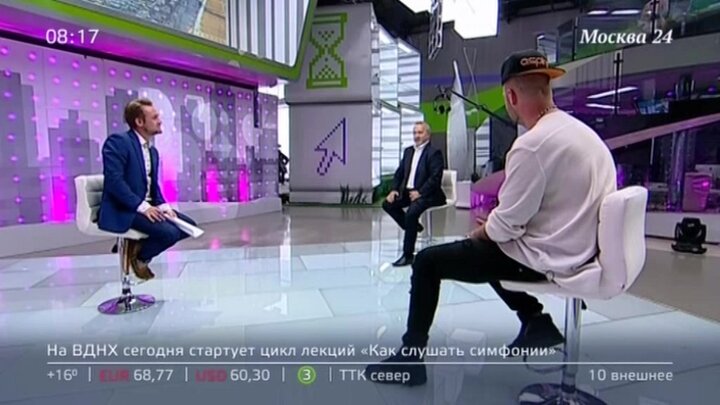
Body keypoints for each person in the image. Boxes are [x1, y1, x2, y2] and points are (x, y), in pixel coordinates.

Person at [366, 50, 617, 386]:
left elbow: (506, 225)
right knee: (492, 249)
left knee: (430, 261)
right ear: (548, 87)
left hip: (552, 258)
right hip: (582, 251)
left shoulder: (532, 145)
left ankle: (410, 360)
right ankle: (534, 320)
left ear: (510, 96)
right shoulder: (583, 134)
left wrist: (481, 233)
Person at [98, 98, 197, 280]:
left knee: (189, 226)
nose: (160, 121)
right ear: (139, 122)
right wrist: (143, 207)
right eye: (155, 117)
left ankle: (137, 248)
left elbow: (152, 185)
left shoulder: (152, 152)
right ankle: (139, 259)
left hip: (148, 207)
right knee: (169, 233)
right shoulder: (118, 142)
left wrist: (163, 206)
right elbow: (114, 182)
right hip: (125, 208)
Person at [383, 121, 446, 267]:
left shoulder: (434, 153)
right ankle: (413, 227)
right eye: (415, 133)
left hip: (429, 194)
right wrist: (394, 190)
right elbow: (399, 173)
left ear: (428, 135)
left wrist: (420, 192)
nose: (416, 136)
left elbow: (435, 178)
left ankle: (408, 255)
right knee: (388, 204)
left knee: (411, 213)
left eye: (420, 132)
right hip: (408, 192)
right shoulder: (408, 151)